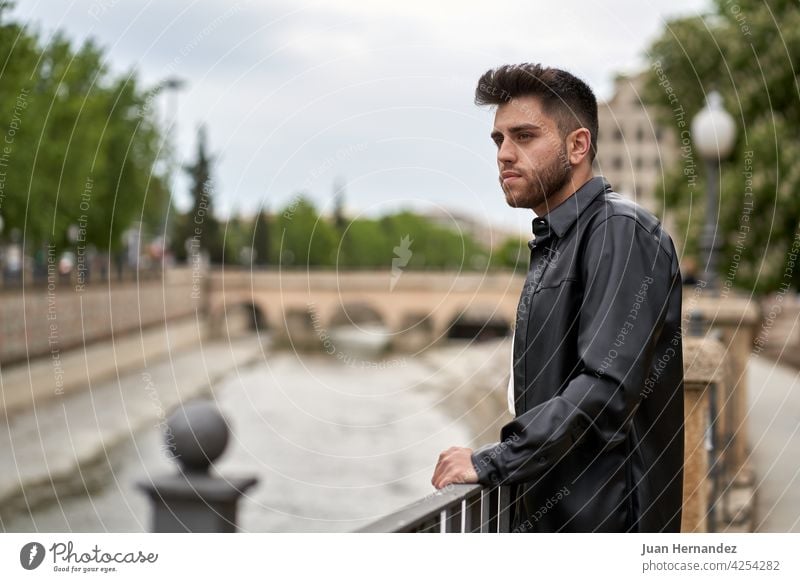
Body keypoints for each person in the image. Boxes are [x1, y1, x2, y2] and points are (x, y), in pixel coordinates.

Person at [430, 63, 685, 532]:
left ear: (578, 145)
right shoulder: (558, 242)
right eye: (498, 140)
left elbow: (605, 388)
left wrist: (496, 460)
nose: (505, 154)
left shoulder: (619, 232)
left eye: (524, 136)